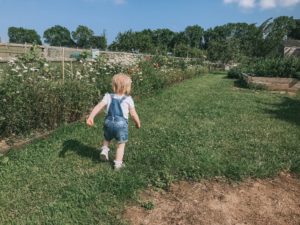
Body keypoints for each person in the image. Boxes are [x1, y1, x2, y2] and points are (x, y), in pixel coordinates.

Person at [86, 73, 141, 170]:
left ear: (113, 85)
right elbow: (133, 114)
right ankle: (118, 165)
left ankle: (104, 149)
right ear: (127, 87)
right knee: (121, 144)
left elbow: (99, 106)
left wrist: (91, 117)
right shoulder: (128, 99)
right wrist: (137, 123)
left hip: (108, 122)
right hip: (121, 124)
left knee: (107, 137)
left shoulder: (108, 96)